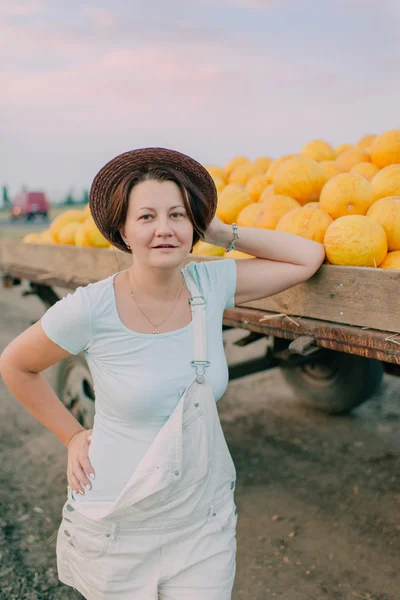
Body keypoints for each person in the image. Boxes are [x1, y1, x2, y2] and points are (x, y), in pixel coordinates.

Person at [0, 147, 325, 599]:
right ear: (123, 230)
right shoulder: (91, 308)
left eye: (177, 215)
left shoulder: (209, 285)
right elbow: (16, 364)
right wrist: (72, 435)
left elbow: (307, 257)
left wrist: (215, 229)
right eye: (147, 216)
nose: (164, 229)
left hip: (200, 523)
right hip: (117, 523)